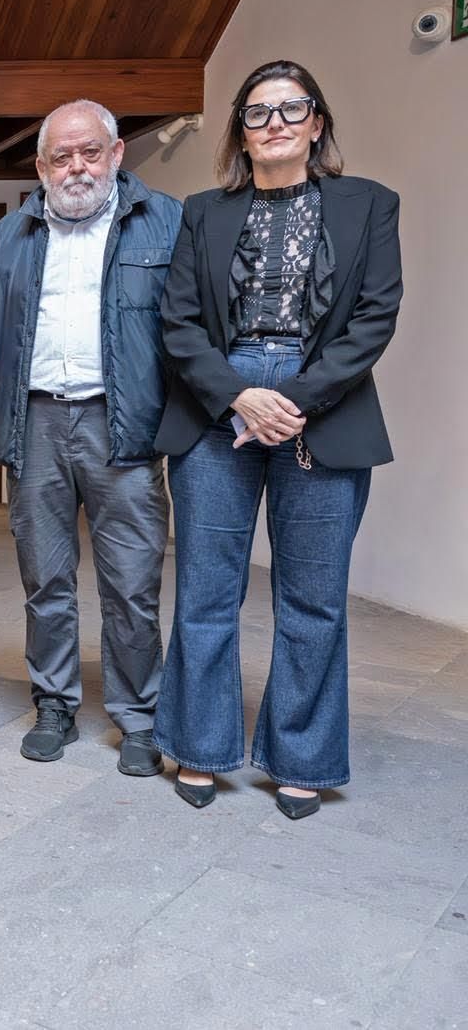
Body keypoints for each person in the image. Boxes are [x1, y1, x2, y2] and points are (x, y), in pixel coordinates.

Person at [154, 61, 402, 820]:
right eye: (258, 114)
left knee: (314, 598)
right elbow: (179, 322)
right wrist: (238, 396)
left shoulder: (369, 206)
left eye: (292, 109)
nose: (276, 123)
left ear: (317, 122)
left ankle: (302, 757)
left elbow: (374, 316)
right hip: (216, 406)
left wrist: (290, 400)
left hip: (318, 405)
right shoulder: (204, 211)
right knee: (205, 591)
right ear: (241, 133)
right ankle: (200, 746)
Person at [0, 99, 181, 775]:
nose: (77, 166)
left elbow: (189, 327)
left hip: (124, 426)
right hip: (36, 423)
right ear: (41, 166)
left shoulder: (166, 224)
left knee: (132, 580)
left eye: (90, 151)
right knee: (45, 577)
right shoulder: (8, 237)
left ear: (117, 154)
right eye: (61, 156)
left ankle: (139, 715)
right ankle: (55, 702)